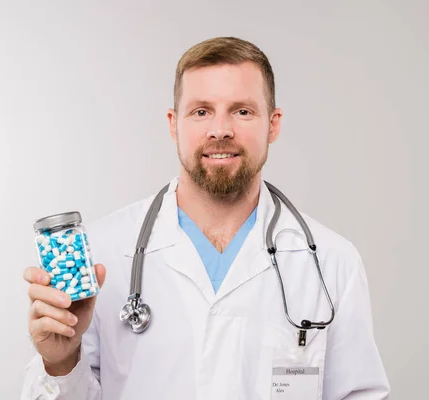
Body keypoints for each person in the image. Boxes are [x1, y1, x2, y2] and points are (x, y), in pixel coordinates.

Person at [21, 36, 390, 400]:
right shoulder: (102, 254)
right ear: (173, 124)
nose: (220, 130)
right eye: (201, 111)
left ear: (273, 125)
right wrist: (61, 363)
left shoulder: (331, 262)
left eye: (242, 111)